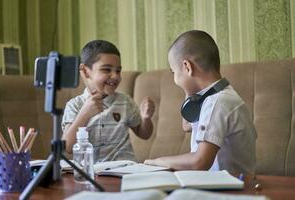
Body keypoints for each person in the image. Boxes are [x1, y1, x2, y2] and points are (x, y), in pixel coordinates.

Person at [144, 30, 257, 174]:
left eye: (174, 72)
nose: (175, 80)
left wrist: (157, 162)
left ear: (187, 67)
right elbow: (187, 125)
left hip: (228, 189)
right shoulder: (221, 94)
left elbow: (200, 162)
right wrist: (190, 89)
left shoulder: (217, 102)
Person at [62, 40, 155, 162]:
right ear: (85, 71)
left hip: (123, 170)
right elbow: (67, 147)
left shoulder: (125, 102)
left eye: (118, 70)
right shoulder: (75, 105)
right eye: (106, 70)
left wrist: (146, 118)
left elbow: (144, 134)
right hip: (90, 173)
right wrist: (84, 114)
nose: (115, 76)